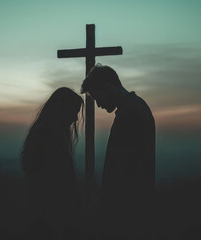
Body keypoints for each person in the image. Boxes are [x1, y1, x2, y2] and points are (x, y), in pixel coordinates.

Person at [80, 64, 156, 239]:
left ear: (107, 87)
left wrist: (107, 206)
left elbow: (124, 167)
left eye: (97, 97)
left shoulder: (131, 113)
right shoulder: (134, 108)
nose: (98, 104)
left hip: (128, 213)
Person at [21, 87, 84, 240]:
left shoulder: (46, 135)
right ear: (62, 110)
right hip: (50, 223)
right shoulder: (46, 138)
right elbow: (52, 184)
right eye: (73, 112)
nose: (76, 119)